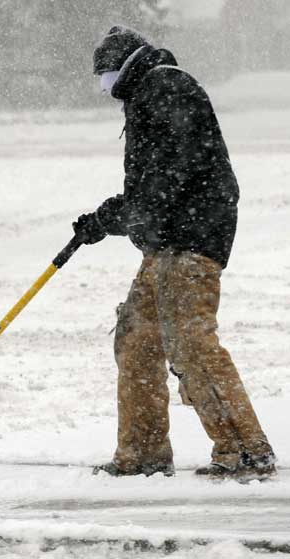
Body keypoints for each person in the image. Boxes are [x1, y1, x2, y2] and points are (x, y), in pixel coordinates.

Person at [74, 26, 276, 481]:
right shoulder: (148, 92)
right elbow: (154, 181)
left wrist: (118, 217)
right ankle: (143, 453)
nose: (103, 84)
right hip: (167, 242)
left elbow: (168, 177)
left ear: (123, 65)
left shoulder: (166, 87)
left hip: (191, 239)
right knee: (137, 337)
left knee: (190, 341)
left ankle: (245, 449)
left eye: (105, 73)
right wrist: (115, 215)